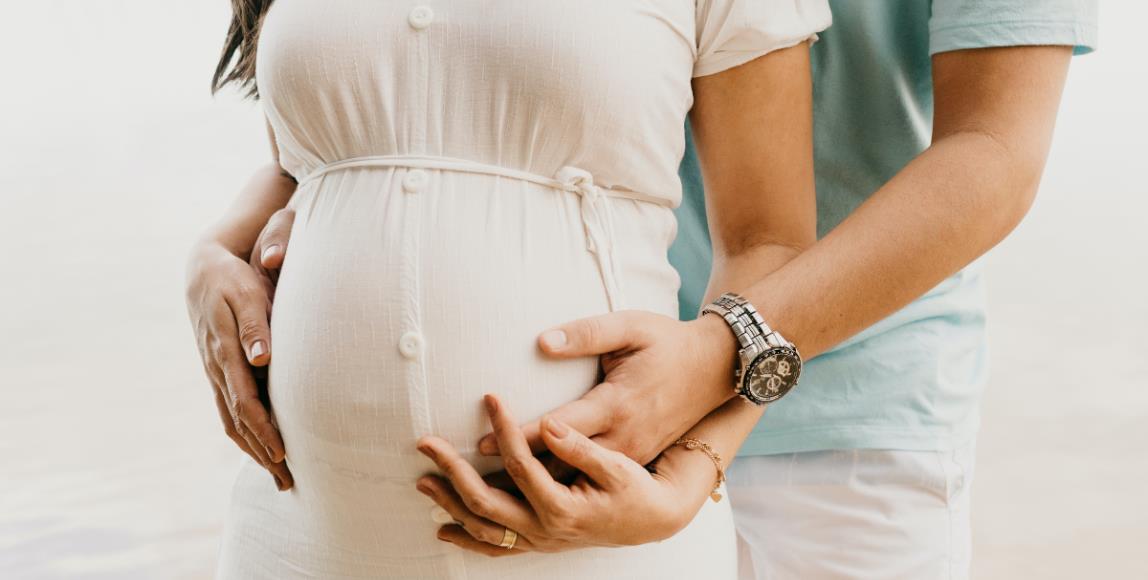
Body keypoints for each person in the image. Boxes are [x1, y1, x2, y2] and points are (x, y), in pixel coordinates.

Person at [190, 1, 1098, 578]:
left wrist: (717, 368)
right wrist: (219, 249)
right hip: (594, 404)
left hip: (850, 409)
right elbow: (437, 83)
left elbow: (994, 154)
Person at [185, 0, 830, 577]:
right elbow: (307, 163)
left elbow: (766, 242)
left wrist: (695, 465)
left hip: (597, 536)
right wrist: (213, 252)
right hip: (302, 531)